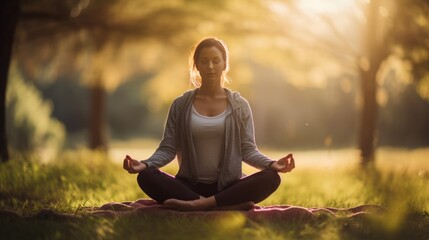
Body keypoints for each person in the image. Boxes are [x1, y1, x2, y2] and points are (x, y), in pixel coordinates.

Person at [123, 37, 295, 211]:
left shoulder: (240, 105)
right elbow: (168, 149)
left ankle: (200, 204)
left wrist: (272, 164)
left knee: (272, 178)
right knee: (146, 176)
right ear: (196, 66)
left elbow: (248, 150)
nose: (210, 66)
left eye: (216, 61)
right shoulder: (180, 105)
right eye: (204, 61)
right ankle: (221, 204)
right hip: (189, 186)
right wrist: (145, 164)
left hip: (227, 187)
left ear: (224, 64)